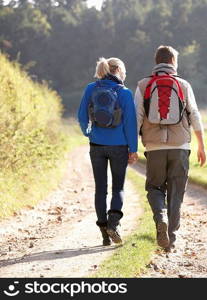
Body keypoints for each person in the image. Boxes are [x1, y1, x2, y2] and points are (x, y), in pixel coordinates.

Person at [135, 45, 206, 250]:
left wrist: (132, 147)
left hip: (154, 146)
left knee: (155, 187)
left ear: (156, 62)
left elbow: (136, 118)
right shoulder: (183, 85)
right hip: (180, 146)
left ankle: (160, 219)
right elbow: (195, 115)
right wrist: (201, 145)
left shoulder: (143, 85)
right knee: (176, 191)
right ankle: (171, 239)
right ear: (173, 62)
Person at [78, 57, 139, 246]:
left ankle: (104, 233)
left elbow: (81, 115)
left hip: (96, 145)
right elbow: (130, 123)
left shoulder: (91, 88)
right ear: (119, 70)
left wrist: (88, 132)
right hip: (119, 146)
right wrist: (133, 149)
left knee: (100, 189)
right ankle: (114, 222)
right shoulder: (125, 93)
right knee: (118, 187)